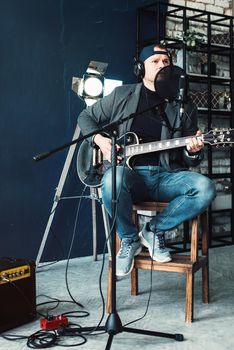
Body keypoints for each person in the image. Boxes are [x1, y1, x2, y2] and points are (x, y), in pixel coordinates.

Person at [77, 43, 216, 277]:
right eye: (156, 61)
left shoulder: (184, 105)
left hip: (166, 177)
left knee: (205, 187)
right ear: (140, 68)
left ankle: (153, 231)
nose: (163, 65)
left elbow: (191, 161)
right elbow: (86, 117)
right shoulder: (123, 95)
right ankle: (129, 239)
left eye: (166, 62)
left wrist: (193, 150)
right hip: (131, 177)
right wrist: (100, 141)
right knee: (112, 180)